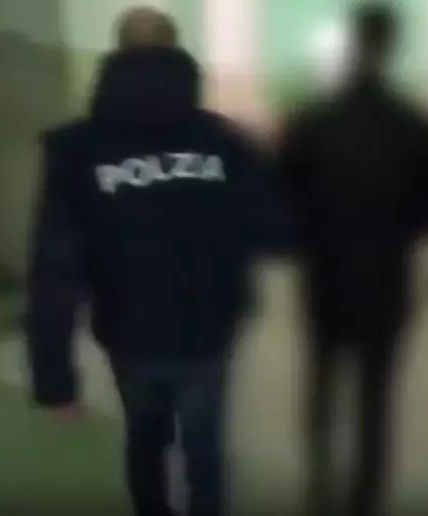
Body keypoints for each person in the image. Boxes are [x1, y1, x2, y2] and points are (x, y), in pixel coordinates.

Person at [25, 45, 287, 516]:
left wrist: (55, 382)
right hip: (207, 331)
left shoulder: (78, 151)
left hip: (130, 333)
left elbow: (54, 271)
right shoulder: (226, 143)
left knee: (145, 441)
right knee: (205, 446)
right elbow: (276, 233)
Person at [277, 5, 428, 516]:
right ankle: (364, 500)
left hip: (325, 281)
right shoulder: (413, 126)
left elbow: (285, 199)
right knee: (376, 400)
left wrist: (310, 239)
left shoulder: (312, 120)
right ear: (391, 47)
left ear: (353, 44)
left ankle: (321, 489)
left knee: (323, 388)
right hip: (387, 284)